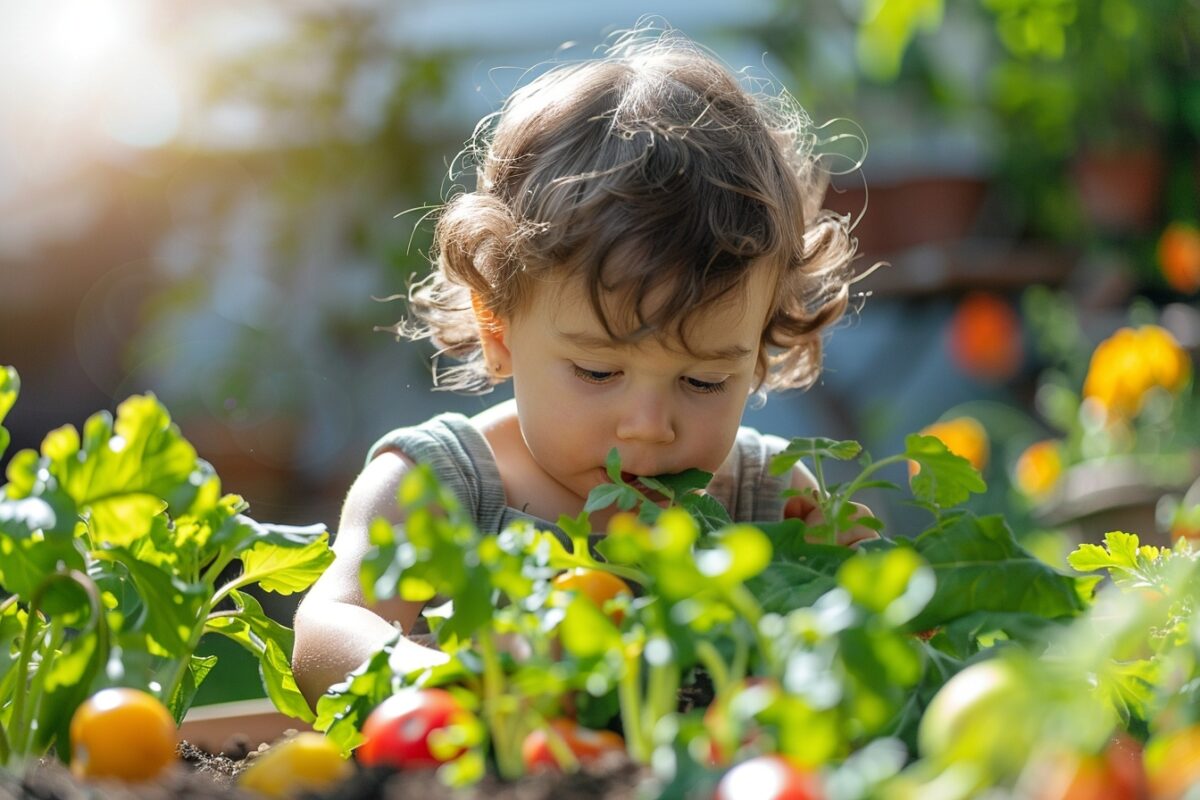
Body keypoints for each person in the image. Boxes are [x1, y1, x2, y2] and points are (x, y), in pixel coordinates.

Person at [292, 23, 877, 710]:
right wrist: (454, 683)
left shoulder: (769, 499)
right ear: (499, 327)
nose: (649, 425)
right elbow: (324, 634)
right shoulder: (440, 488)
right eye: (599, 372)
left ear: (761, 348)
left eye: (704, 381)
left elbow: (880, 640)